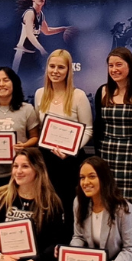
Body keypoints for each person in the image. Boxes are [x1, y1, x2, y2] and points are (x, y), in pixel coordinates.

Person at [93, 47, 132, 251]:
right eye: (111, 65)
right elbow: (98, 128)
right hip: (108, 160)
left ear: (130, 66)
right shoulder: (102, 91)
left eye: (119, 64)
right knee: (110, 215)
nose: (114, 69)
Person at [34, 49, 92, 230]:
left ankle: (70, 246)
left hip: (71, 160)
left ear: (69, 70)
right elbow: (40, 127)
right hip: (47, 159)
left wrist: (70, 150)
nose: (55, 71)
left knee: (70, 205)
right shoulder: (39, 94)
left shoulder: (78, 95)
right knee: (49, 205)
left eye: (61, 67)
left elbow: (88, 129)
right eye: (52, 66)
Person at [0, 67, 40, 190]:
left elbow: (35, 137)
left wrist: (25, 145)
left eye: (6, 80)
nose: (1, 84)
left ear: (14, 83)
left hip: (17, 173)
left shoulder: (27, 109)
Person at [12, 0, 68, 74]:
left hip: (32, 54)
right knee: (18, 82)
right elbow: (30, 34)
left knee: (37, 79)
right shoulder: (30, 13)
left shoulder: (41, 14)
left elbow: (47, 31)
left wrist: (64, 28)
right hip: (22, 54)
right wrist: (42, 49)